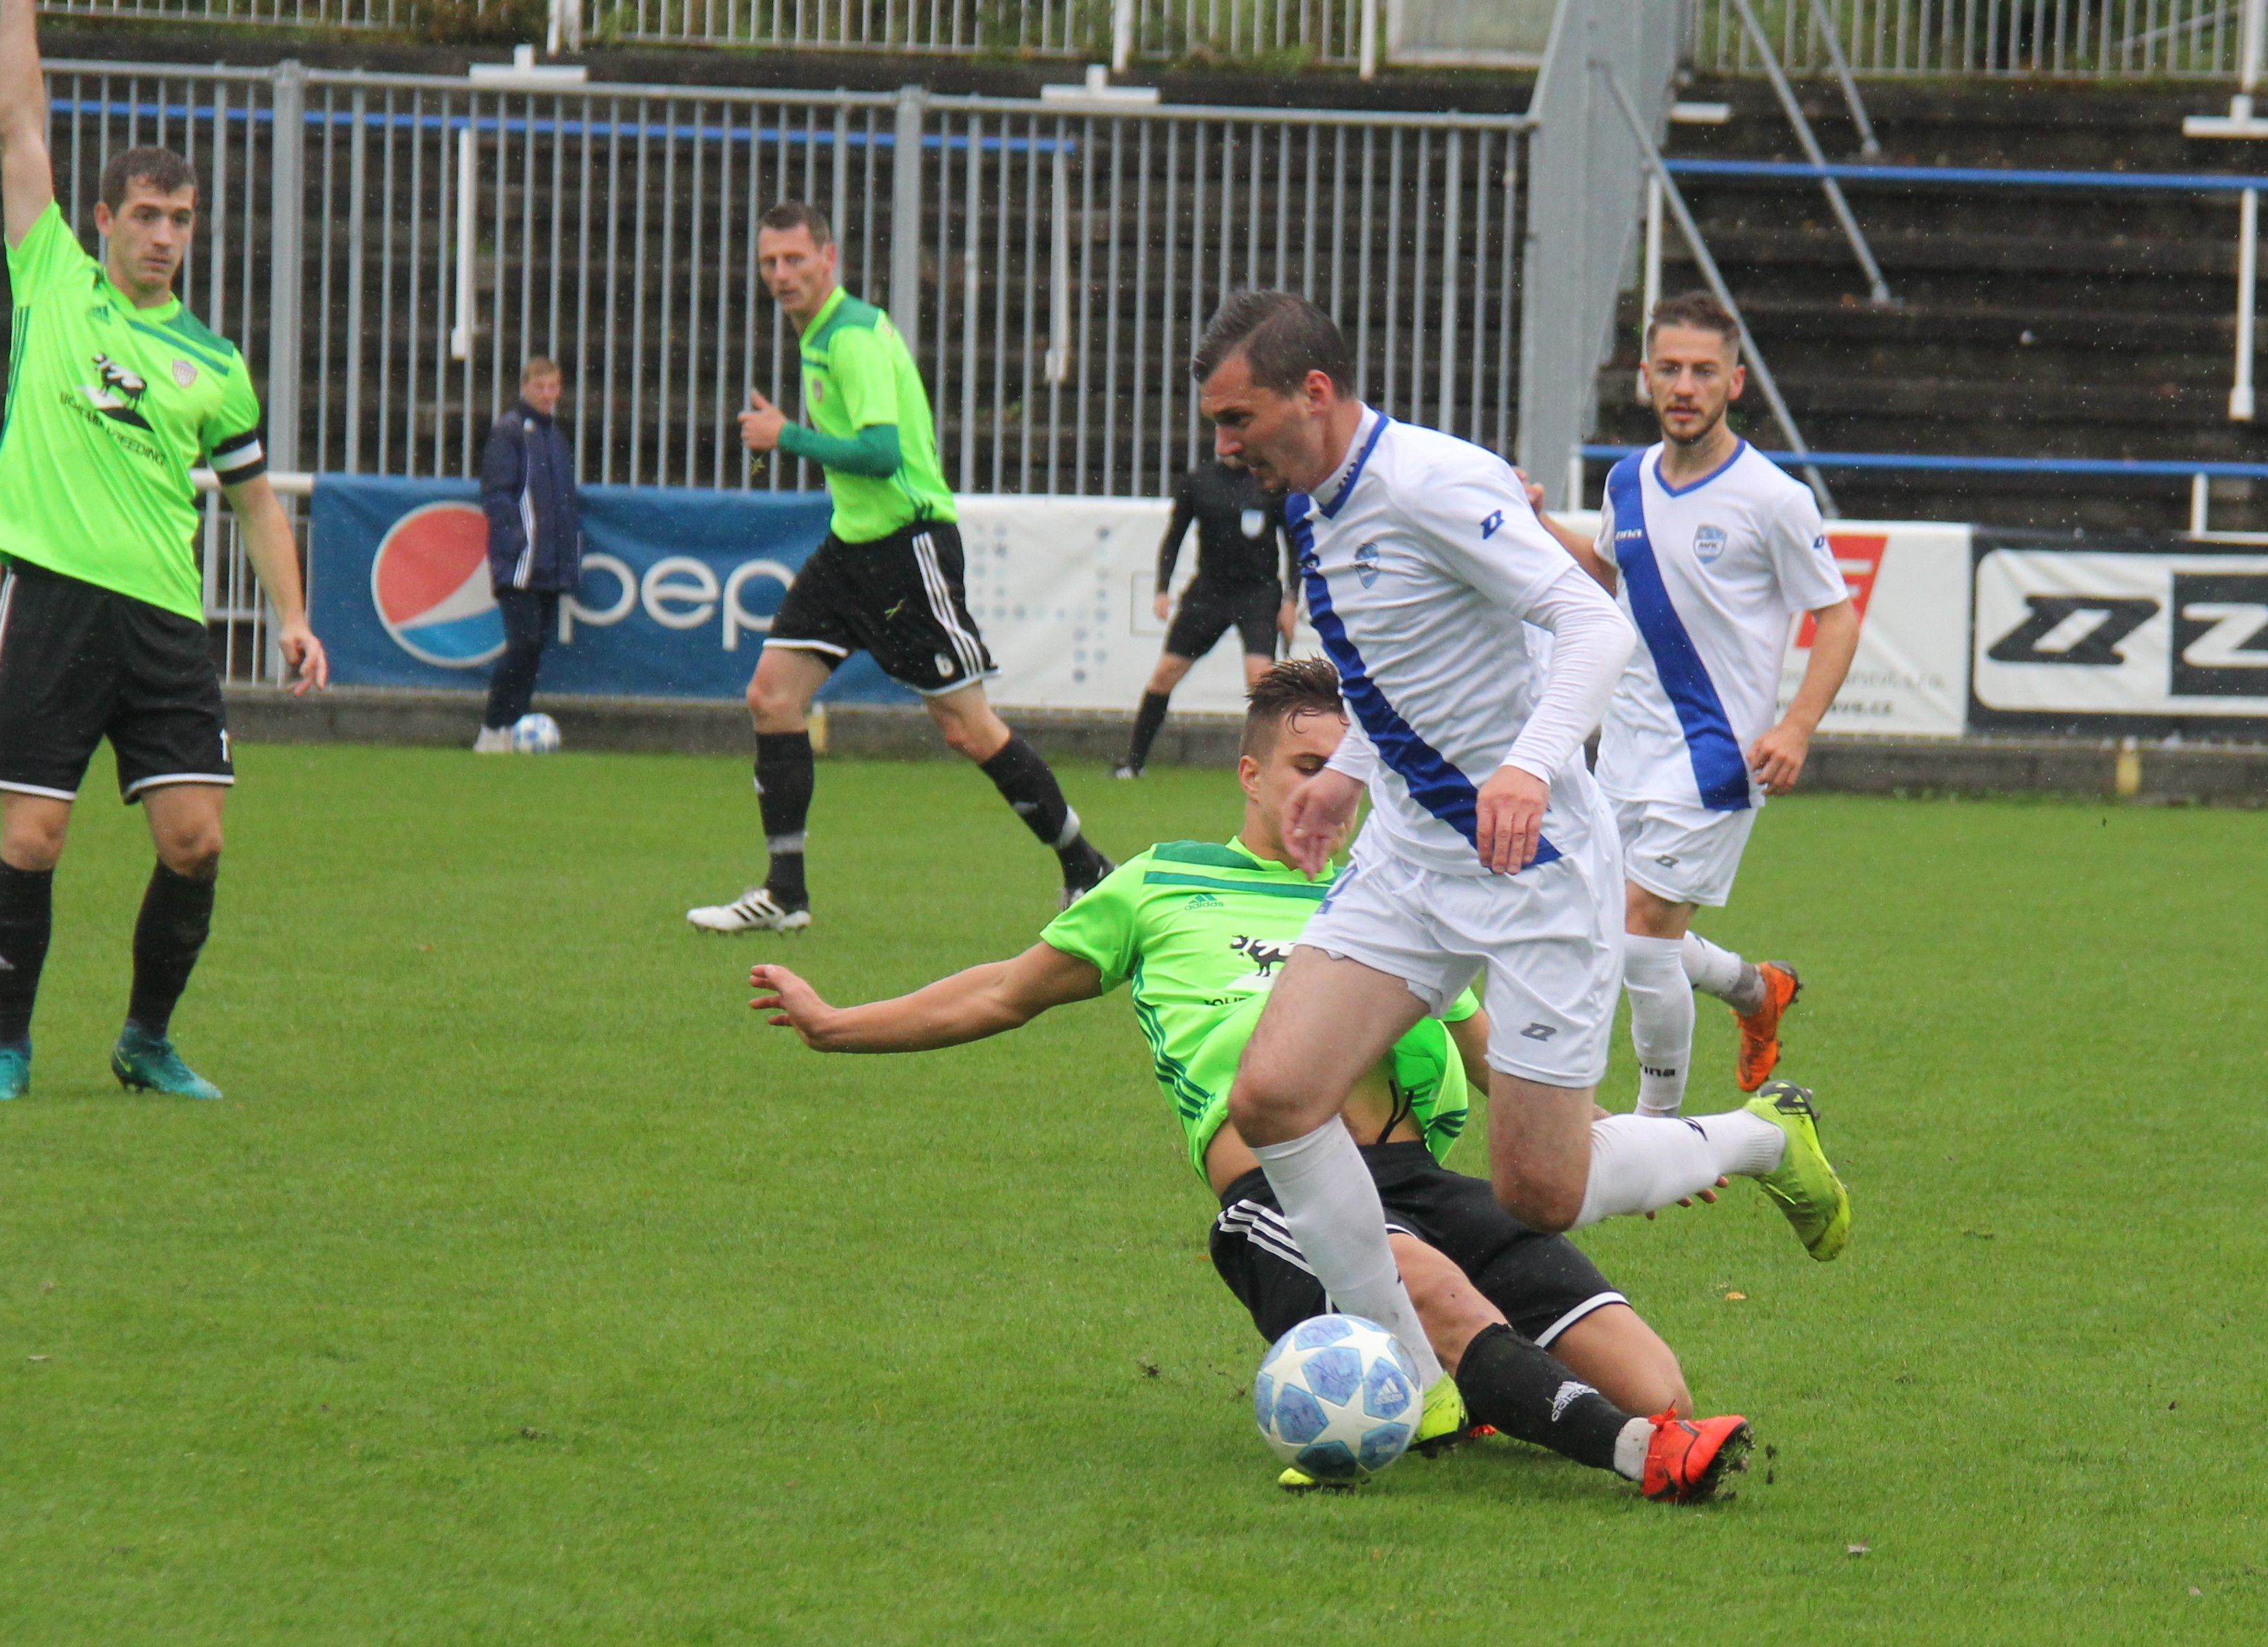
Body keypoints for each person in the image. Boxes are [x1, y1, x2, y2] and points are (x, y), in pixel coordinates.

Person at [751, 660, 1755, 1502]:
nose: (1331, 792)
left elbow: (1496, 1060)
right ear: (1252, 774)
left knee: (1655, 1381)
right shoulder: (1161, 883)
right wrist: (838, 1026)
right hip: (1284, 1194)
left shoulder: (1389, 900)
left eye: (1347, 770)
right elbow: (1003, 992)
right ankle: (1641, 1457)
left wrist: (1615, 1150)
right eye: (1308, 767)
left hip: (1424, 1180)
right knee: (1442, 1298)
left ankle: (1508, 1397)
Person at [1199, 291, 1849, 1400]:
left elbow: (1593, 623)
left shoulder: (1433, 482)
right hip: (1409, 864)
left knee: (1540, 1191)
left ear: (1311, 393)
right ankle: (1408, 1375)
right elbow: (1398, 672)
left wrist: (1529, 764)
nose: (1223, 446)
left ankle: (1757, 1137)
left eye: (1236, 418)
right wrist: (1344, 774)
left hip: (1533, 867)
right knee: (1272, 1097)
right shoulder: (1307, 504)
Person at [0, 0, 328, 1103]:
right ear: (104, 219)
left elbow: (255, 500)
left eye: (183, 221)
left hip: (165, 618)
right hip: (58, 600)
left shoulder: (214, 363)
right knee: (34, 837)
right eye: (149, 217)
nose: (166, 237)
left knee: (196, 840)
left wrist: (292, 615)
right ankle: (9, 1047)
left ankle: (145, 1040)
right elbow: (20, 125)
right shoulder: (54, 279)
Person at [687, 201, 1112, 934]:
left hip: (906, 550)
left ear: (830, 260)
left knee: (967, 728)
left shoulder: (851, 337)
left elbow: (883, 455)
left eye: (795, 260)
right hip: (851, 547)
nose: (781, 274)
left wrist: (786, 435)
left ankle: (1088, 867)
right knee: (772, 697)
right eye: (769, 262)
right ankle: (785, 892)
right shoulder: (823, 334)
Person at [1532, 292, 1862, 1115]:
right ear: (1646, 376)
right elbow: (1609, 577)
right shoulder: (1627, 480)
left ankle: (1659, 1129)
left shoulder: (1772, 499)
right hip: (1625, 747)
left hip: (1715, 757)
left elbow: (1836, 616)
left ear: (1733, 383)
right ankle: (1754, 990)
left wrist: (1796, 727)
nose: (1685, 386)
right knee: (1607, 926)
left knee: (1641, 941)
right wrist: (1535, 524)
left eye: (1704, 372)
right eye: (1670, 369)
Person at [1111, 456, 1296, 779]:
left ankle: (1268, 769)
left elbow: (1295, 545)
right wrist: (1162, 589)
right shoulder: (1199, 482)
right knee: (1166, 672)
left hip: (1258, 592)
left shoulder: (1268, 479)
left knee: (1261, 681)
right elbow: (1174, 537)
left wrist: (1292, 599)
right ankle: (1134, 764)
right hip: (1209, 592)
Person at [473, 356, 581, 753]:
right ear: (525, 387)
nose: (548, 395)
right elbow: (497, 495)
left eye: (554, 387)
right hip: (521, 563)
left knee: (533, 650)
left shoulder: (556, 437)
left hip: (550, 563)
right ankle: (492, 727)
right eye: (541, 387)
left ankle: (513, 728)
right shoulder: (510, 431)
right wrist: (515, 543)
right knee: (522, 645)